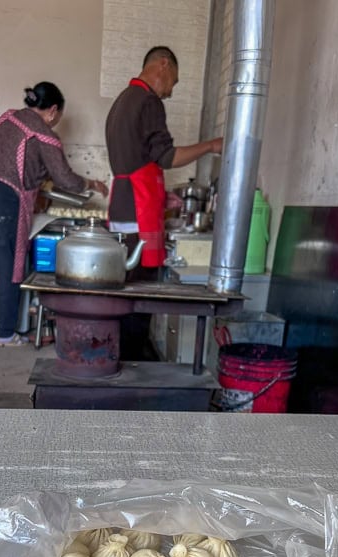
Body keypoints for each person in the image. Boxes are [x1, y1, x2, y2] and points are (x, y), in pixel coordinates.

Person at [0, 81, 108, 346]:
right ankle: (5, 334)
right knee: (10, 265)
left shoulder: (6, 118)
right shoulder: (42, 133)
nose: (55, 122)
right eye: (57, 117)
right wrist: (91, 184)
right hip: (4, 198)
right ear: (52, 110)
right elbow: (65, 178)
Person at [105, 46, 223, 359]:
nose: (170, 92)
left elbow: (137, 163)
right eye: (174, 82)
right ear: (163, 64)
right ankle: (131, 366)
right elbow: (167, 157)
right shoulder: (148, 101)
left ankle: (123, 357)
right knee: (140, 296)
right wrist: (211, 145)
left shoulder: (122, 101)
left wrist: (162, 195)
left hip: (122, 208)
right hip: (138, 213)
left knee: (124, 289)